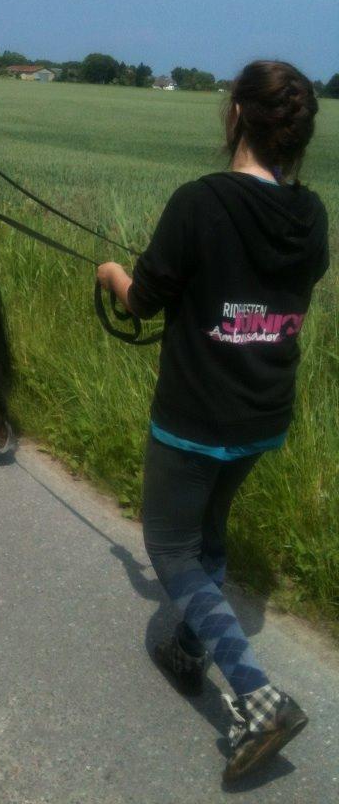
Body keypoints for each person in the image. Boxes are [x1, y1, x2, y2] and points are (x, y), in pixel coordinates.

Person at [96, 60, 329, 783]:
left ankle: (259, 699)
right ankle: (191, 648)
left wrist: (111, 274)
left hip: (197, 415)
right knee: (210, 534)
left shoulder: (199, 203)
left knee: (170, 548)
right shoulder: (312, 215)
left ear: (235, 117)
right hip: (262, 413)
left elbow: (143, 301)